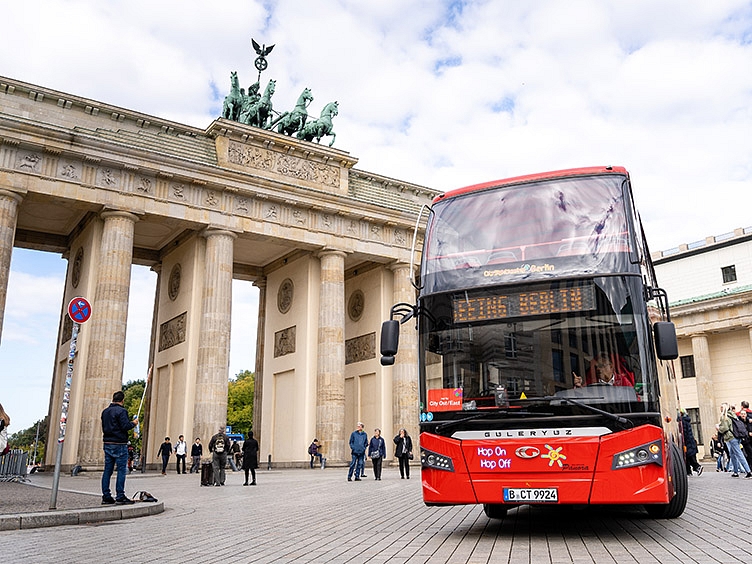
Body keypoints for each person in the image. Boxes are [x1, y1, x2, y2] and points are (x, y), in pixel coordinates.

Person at [101, 390, 137, 505]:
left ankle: (106, 496)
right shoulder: (122, 411)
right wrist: (134, 423)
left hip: (107, 443)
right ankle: (120, 495)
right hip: (119, 444)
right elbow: (125, 426)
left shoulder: (105, 412)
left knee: (107, 470)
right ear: (122, 400)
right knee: (121, 470)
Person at [718, 403, 752, 478]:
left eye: (721, 407)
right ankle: (736, 471)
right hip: (737, 436)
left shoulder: (724, 416)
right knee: (732, 454)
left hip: (731, 437)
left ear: (724, 408)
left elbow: (725, 428)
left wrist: (719, 428)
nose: (720, 408)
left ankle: (748, 471)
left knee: (739, 454)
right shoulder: (733, 415)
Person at [680, 409, 702, 476]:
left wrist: (684, 443)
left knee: (688, 457)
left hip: (687, 442)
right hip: (690, 442)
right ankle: (690, 471)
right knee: (689, 456)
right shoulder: (687, 420)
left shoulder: (682, 421)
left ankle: (696, 468)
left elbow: (684, 433)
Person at [737, 401, 752, 467]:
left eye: (744, 414)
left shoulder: (747, 418)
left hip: (747, 438)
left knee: (749, 453)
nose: (743, 415)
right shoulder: (740, 419)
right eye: (742, 414)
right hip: (745, 438)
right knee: (748, 453)